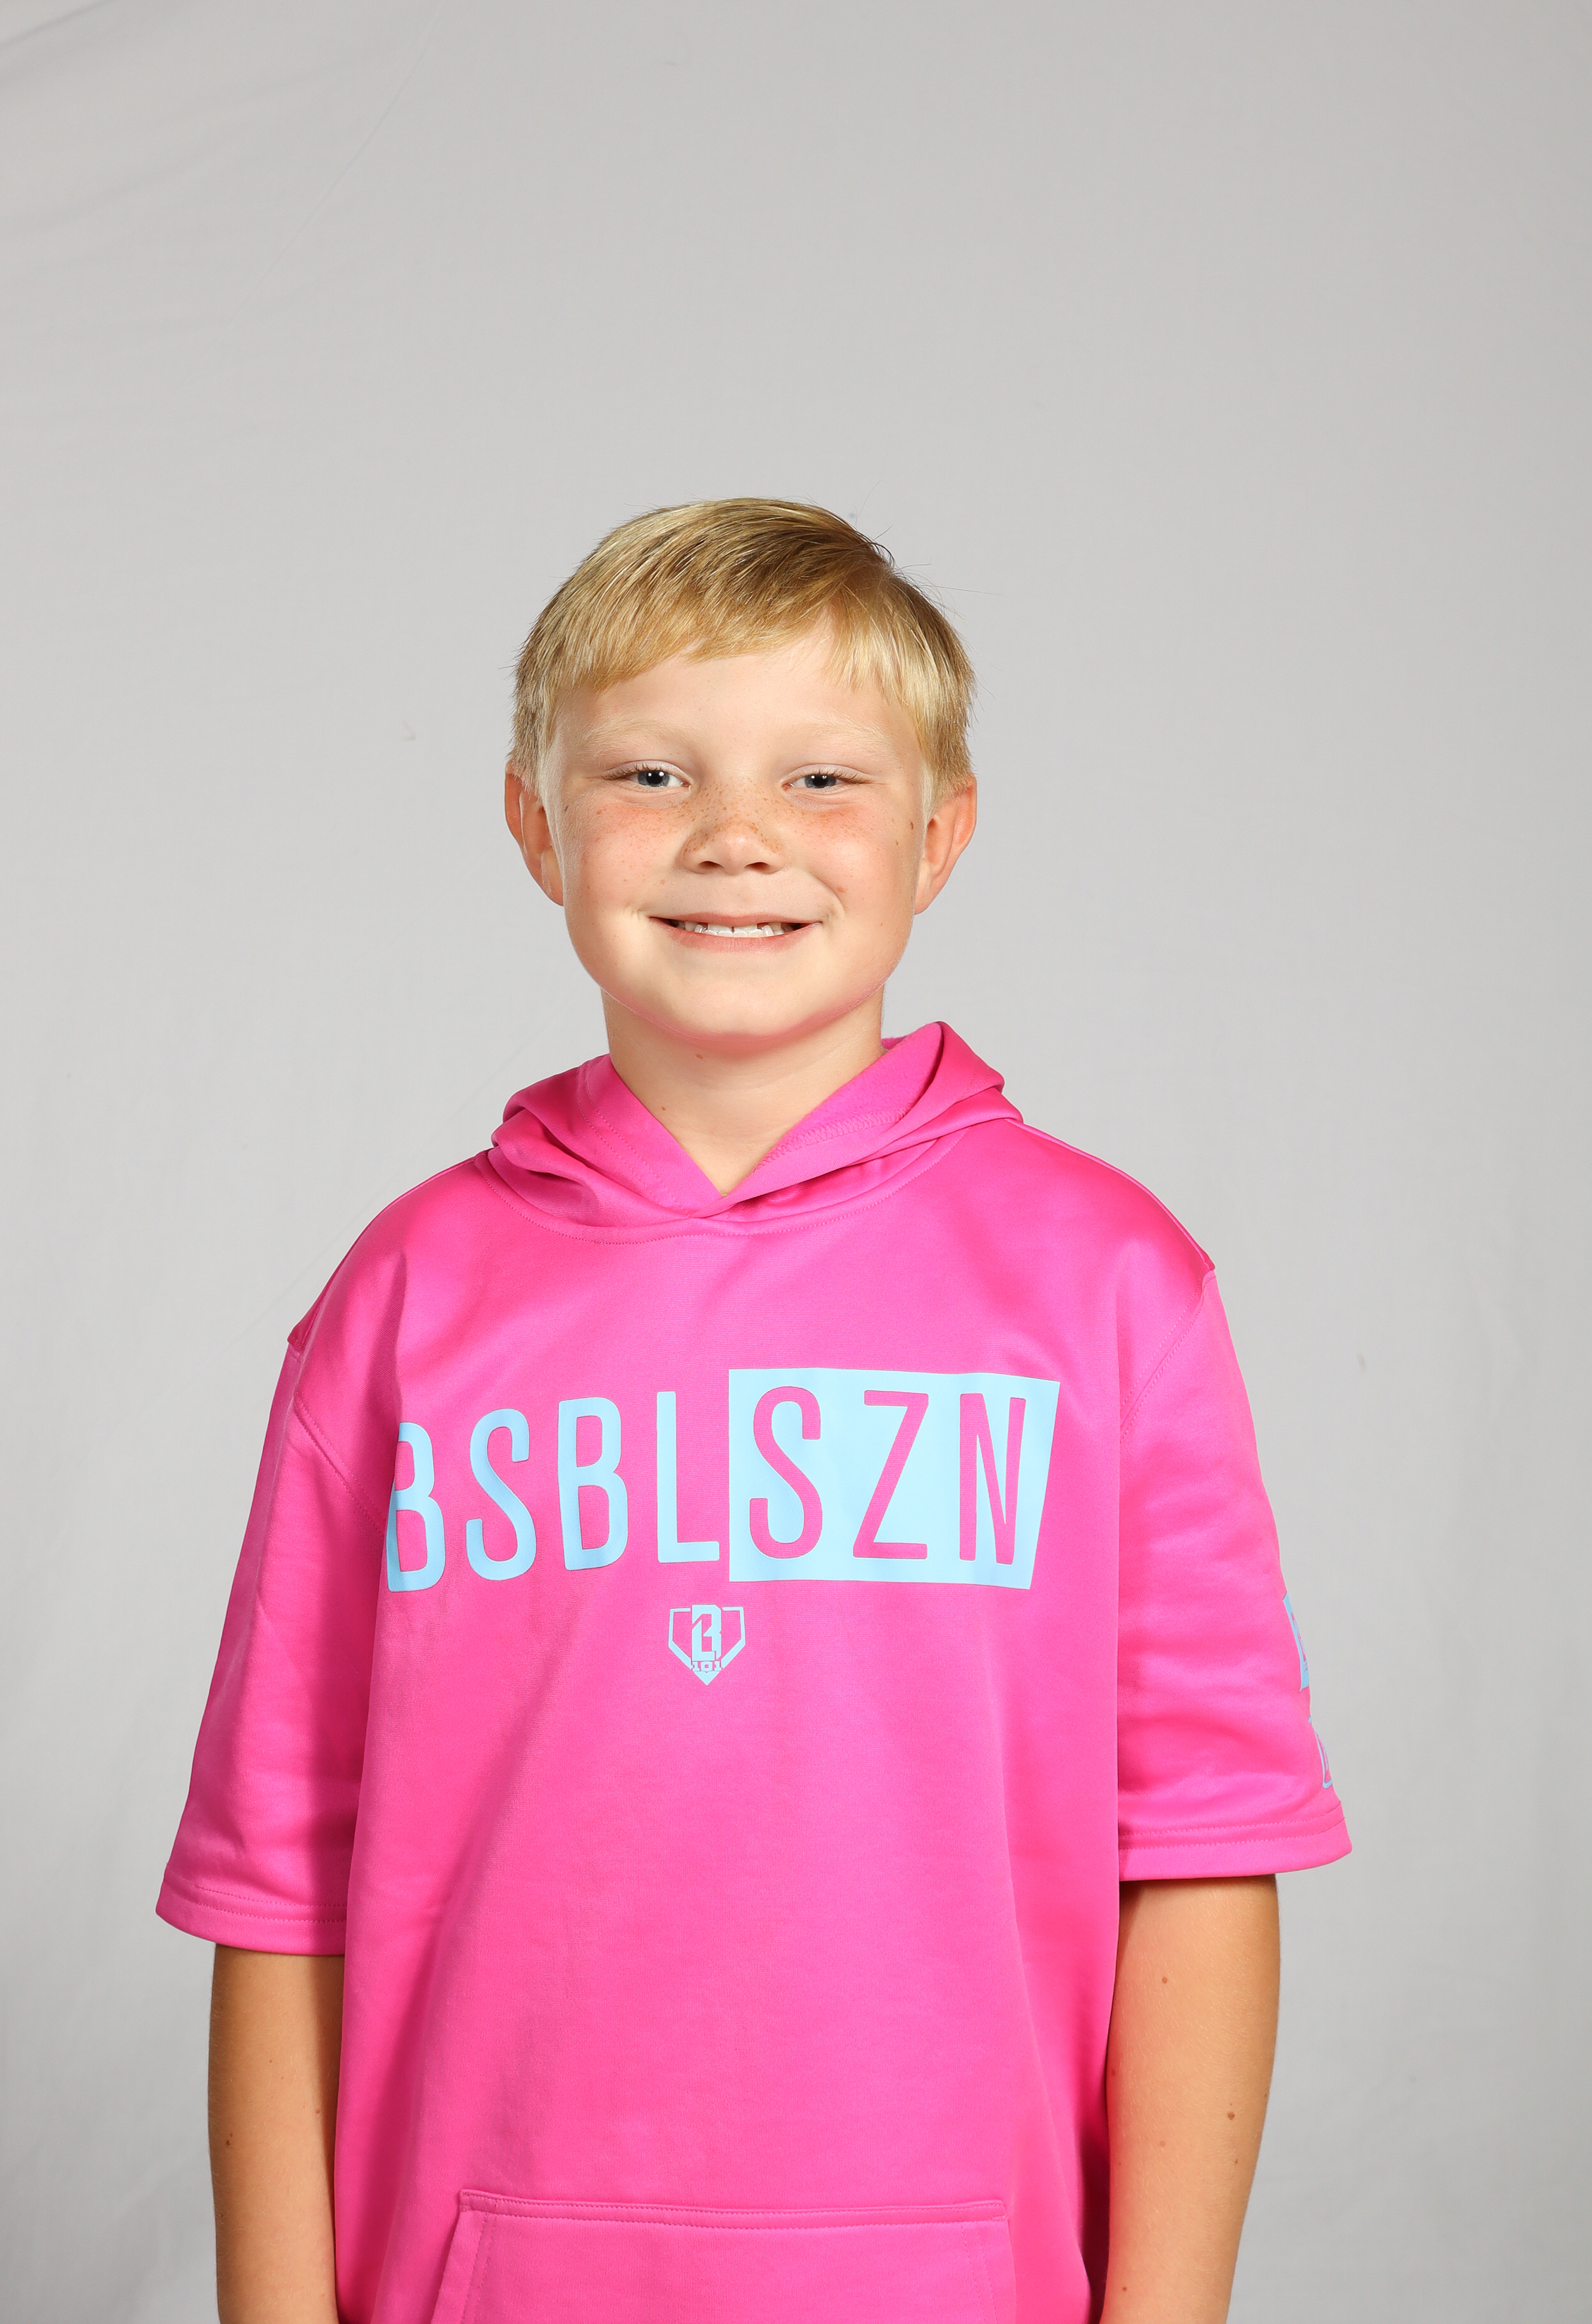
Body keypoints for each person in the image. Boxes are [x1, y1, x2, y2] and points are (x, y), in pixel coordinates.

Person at [159, 498, 1349, 2324]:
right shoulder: (403, 1298)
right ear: (534, 825)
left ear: (939, 835)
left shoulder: (1110, 1285)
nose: (735, 835)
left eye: (821, 780)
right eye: (651, 773)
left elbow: (1199, 1842)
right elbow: (279, 1875)